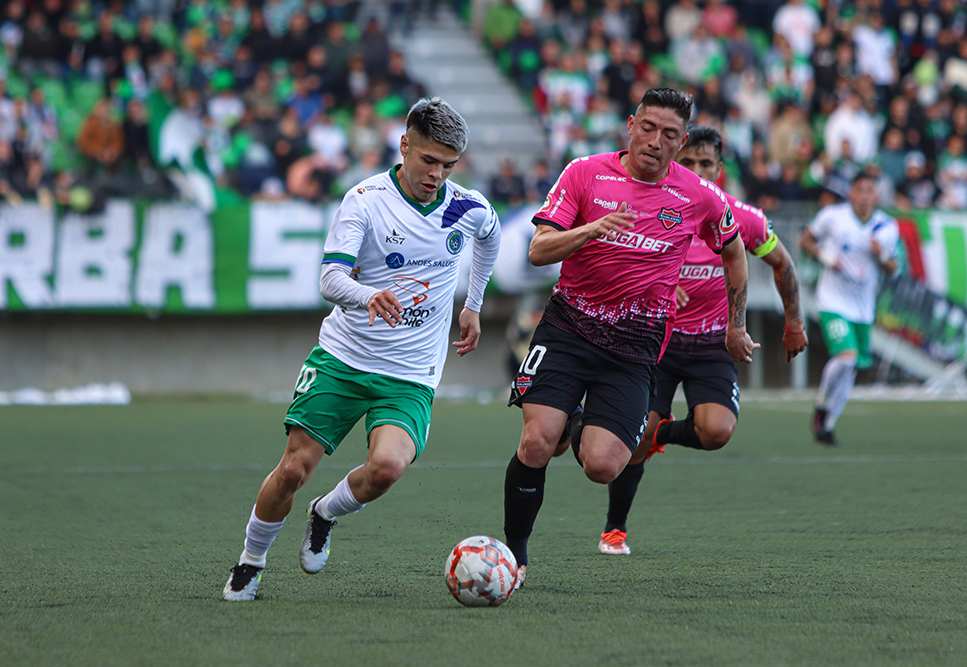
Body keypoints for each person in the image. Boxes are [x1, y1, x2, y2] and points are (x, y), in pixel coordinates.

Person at [223, 98, 501, 601]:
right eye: (428, 161)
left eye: (448, 165)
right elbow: (330, 278)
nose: (437, 174)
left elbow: (490, 237)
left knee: (388, 467)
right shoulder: (365, 200)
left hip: (411, 371)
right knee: (292, 469)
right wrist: (367, 294)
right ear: (405, 146)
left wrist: (473, 304)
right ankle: (251, 561)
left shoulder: (469, 206)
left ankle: (325, 513)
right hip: (345, 359)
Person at [504, 88, 757, 588]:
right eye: (648, 128)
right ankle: (515, 556)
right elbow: (538, 250)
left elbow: (735, 252)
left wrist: (736, 324)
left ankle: (575, 423)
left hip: (636, 346)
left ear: (680, 141)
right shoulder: (583, 173)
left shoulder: (701, 197)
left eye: (669, 135)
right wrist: (591, 230)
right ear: (630, 124)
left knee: (603, 465)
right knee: (535, 441)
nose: (656, 141)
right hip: (569, 326)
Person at [573, 125, 809, 557]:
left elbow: (782, 263)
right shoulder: (653, 209)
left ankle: (662, 432)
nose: (698, 170)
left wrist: (793, 321)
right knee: (634, 438)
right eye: (689, 162)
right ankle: (615, 528)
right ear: (674, 162)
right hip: (655, 343)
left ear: (719, 170)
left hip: (711, 346)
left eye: (707, 164)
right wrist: (658, 285)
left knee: (717, 431)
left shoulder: (741, 217)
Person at [799, 171, 899, 445]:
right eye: (860, 190)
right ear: (851, 193)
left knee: (852, 367)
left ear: (877, 196)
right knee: (847, 356)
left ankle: (828, 425)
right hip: (832, 300)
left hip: (862, 308)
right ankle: (821, 406)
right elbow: (805, 240)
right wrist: (825, 256)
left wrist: (882, 255)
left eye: (870, 191)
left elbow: (893, 268)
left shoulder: (887, 227)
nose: (865, 196)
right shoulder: (833, 216)